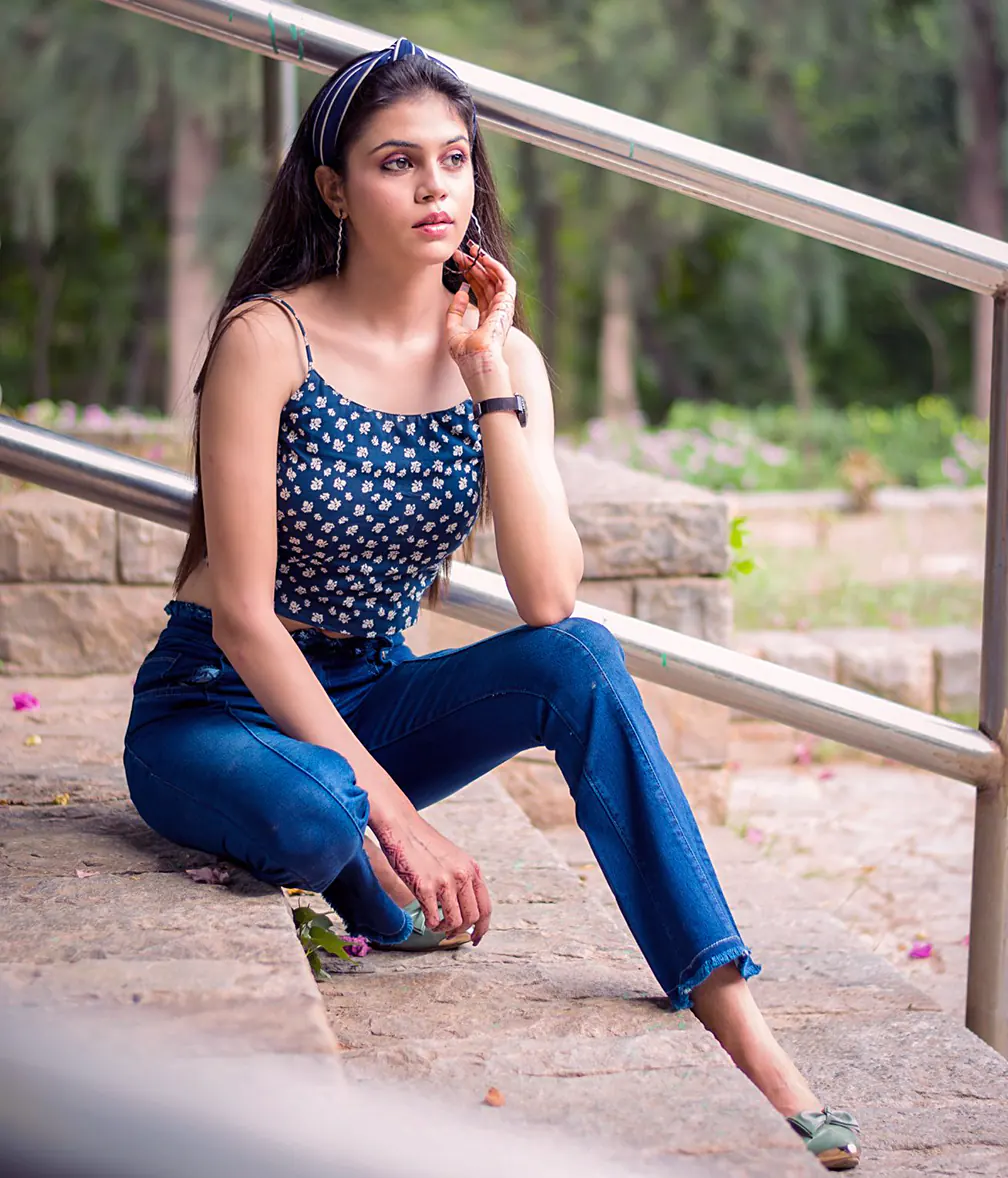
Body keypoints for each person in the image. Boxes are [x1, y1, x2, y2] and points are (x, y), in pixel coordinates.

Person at [122, 38, 861, 1171]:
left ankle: (735, 1014)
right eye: (396, 163)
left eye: (454, 161)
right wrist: (400, 815)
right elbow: (244, 618)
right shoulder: (269, 338)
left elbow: (548, 596)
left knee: (582, 655)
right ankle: (366, 873)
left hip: (366, 690)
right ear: (333, 187)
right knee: (326, 807)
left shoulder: (503, 353)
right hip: (218, 707)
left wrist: (490, 380)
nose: (433, 189)